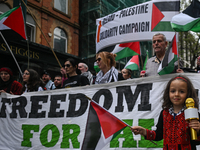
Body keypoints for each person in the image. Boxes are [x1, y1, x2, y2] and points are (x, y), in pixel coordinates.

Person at [131, 75, 200, 150]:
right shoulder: (164, 113)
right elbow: (158, 135)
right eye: (173, 91)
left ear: (188, 94)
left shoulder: (193, 113)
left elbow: (196, 142)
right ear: (168, 93)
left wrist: (198, 130)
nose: (176, 94)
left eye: (182, 91)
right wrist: (143, 131)